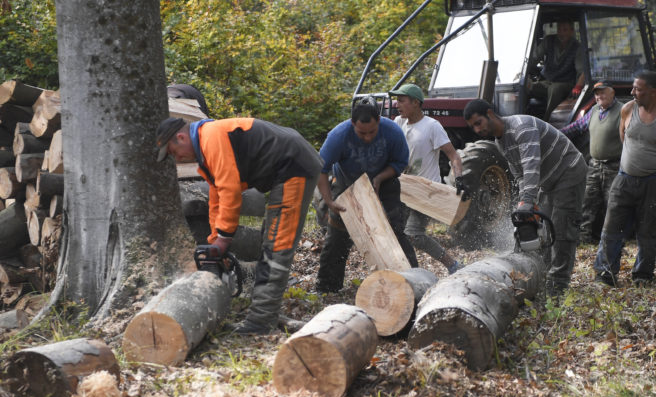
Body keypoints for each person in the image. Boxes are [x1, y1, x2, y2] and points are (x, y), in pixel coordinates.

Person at [155, 116, 322, 334]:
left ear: (181, 137)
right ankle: (265, 313)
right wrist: (214, 241)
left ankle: (261, 321)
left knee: (278, 243)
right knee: (270, 241)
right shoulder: (206, 149)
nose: (177, 159)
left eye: (173, 152)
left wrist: (224, 238)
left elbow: (230, 190)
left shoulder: (211, 137)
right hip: (285, 170)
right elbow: (216, 199)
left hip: (294, 165)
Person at [463, 99, 587, 294]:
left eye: (478, 123)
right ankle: (543, 275)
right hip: (547, 181)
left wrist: (528, 201)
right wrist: (525, 202)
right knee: (544, 230)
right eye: (473, 127)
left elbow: (531, 166)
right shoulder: (501, 141)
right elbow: (520, 175)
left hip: (568, 171)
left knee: (562, 229)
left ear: (490, 113)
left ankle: (558, 287)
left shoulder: (522, 127)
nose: (477, 130)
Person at [593, 70, 656, 287]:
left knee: (648, 231)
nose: (632, 92)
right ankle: (605, 274)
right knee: (611, 228)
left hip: (654, 182)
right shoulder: (628, 110)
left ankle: (642, 275)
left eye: (638, 89)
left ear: (654, 93)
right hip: (624, 179)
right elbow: (623, 137)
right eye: (634, 88)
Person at [316, 100, 419, 292]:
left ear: (379, 121)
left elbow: (399, 163)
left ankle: (413, 282)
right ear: (353, 123)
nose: (367, 137)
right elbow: (321, 169)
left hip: (385, 182)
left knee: (393, 231)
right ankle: (327, 287)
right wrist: (329, 200)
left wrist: (380, 178)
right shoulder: (338, 136)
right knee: (337, 235)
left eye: (372, 132)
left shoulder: (392, 132)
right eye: (362, 133)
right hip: (347, 184)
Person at [390, 83, 464, 273]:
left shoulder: (432, 126)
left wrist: (459, 179)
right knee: (396, 232)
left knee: (414, 234)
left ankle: (453, 265)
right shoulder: (399, 122)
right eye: (396, 100)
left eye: (401, 100)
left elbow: (453, 156)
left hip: (426, 191)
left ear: (416, 102)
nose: (397, 104)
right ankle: (409, 270)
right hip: (404, 187)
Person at [560, 80, 623, 244]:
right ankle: (583, 239)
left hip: (615, 166)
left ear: (612, 93)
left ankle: (612, 241)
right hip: (594, 165)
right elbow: (575, 128)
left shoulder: (623, 111)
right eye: (596, 93)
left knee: (613, 204)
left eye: (603, 92)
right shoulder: (594, 111)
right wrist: (555, 134)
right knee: (587, 202)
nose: (599, 96)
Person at [529, 20, 586, 122]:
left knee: (555, 89)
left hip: (566, 83)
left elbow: (582, 71)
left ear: (572, 31)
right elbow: (534, 58)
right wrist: (523, 72)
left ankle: (547, 122)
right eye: (559, 29)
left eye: (565, 30)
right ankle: (523, 117)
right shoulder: (549, 41)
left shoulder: (577, 48)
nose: (561, 33)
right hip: (547, 81)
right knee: (527, 86)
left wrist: (578, 86)